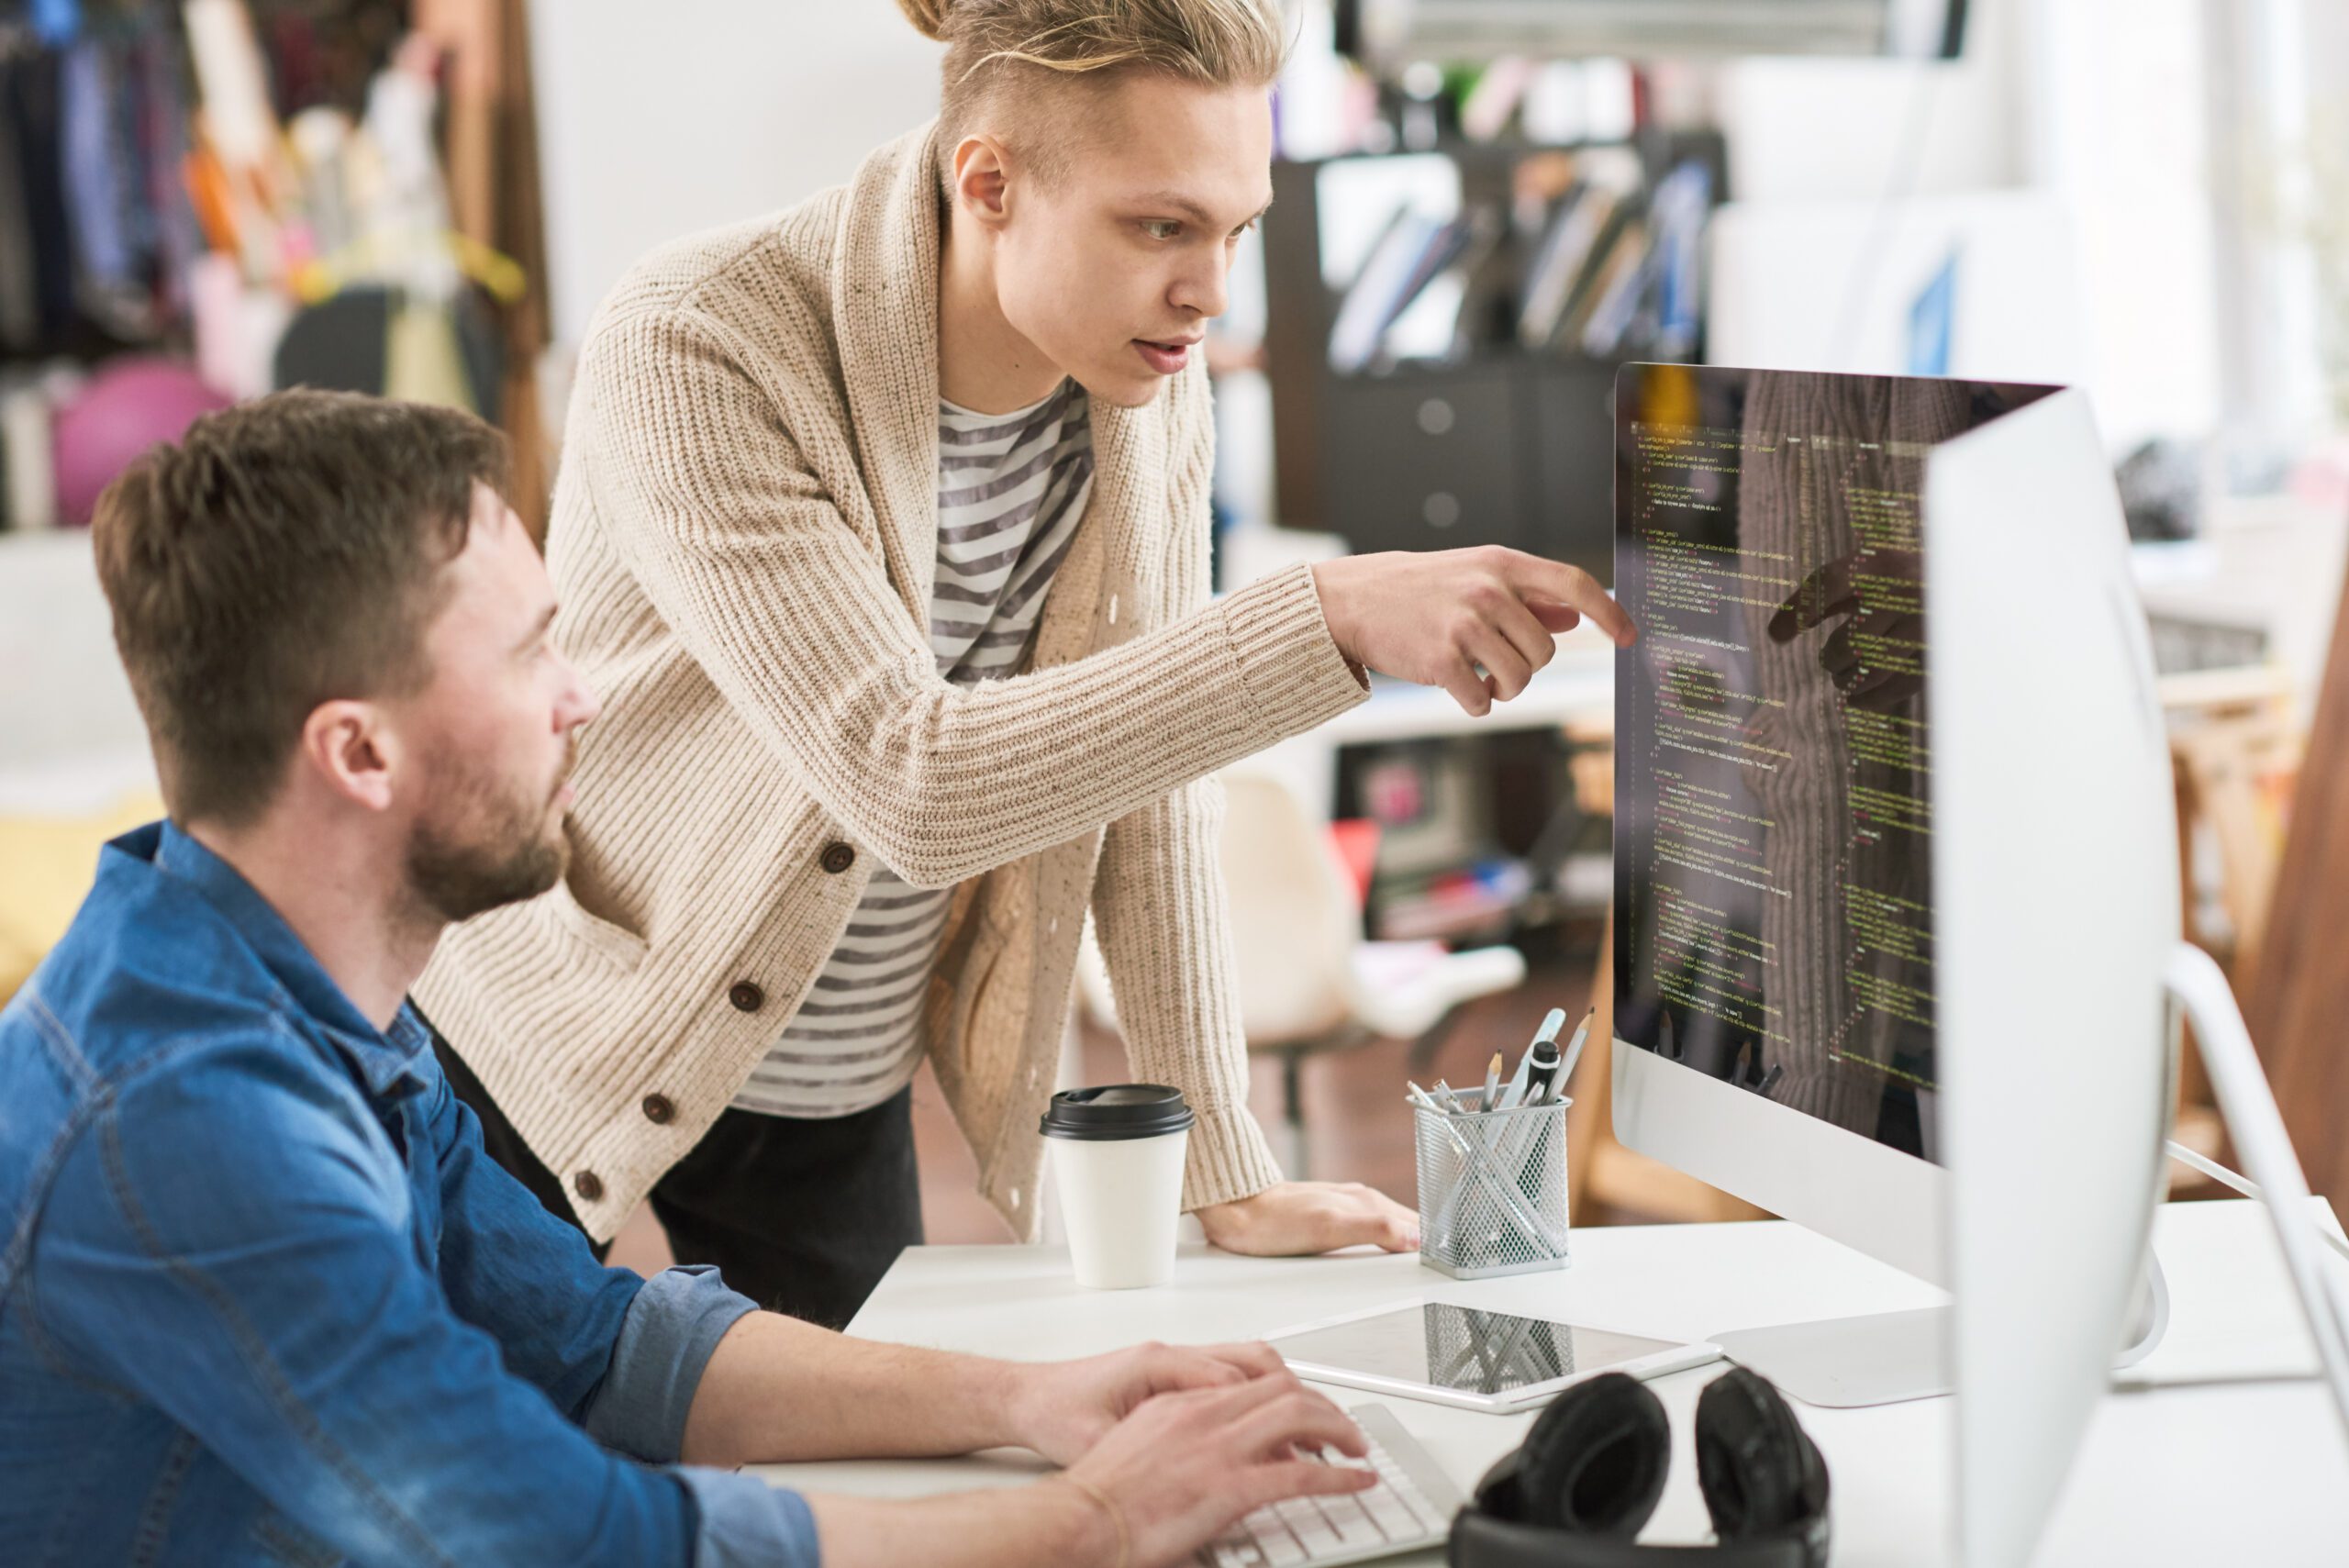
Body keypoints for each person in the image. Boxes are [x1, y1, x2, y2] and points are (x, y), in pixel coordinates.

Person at [0, 391, 1390, 1567]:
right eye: (529, 650)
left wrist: (1035, 1400)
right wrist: (1086, 1518)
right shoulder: (189, 1117)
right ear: (357, 754)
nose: (582, 695)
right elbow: (557, 1533)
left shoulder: (299, 985)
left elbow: (603, 1345)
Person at [418, 0, 1636, 1327]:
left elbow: (1154, 795)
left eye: (1237, 228)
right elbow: (908, 776)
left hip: (836, 1081)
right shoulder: (699, 339)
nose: (1211, 291)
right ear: (987, 180)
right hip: (559, 1026)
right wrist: (1326, 618)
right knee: (483, 1483)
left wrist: (1220, 1163)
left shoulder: (1150, 398)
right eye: (1160, 226)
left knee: (881, 1500)